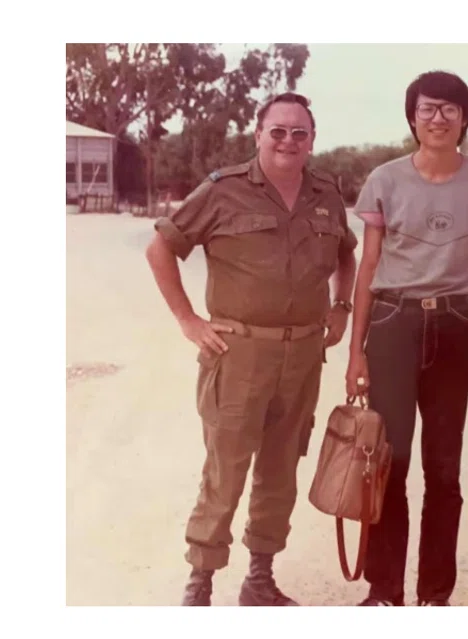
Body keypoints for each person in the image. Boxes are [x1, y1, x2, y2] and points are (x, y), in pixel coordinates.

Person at [145, 92, 358, 606]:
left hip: (303, 356)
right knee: (226, 469)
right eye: (278, 130)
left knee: (281, 469)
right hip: (239, 355)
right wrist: (187, 319)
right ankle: (201, 584)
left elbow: (346, 255)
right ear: (258, 134)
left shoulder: (326, 193)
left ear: (311, 139)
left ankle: (259, 579)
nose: (288, 140)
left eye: (299, 132)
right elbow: (162, 248)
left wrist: (341, 305)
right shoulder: (223, 191)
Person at [344, 70, 468, 606]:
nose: (437, 118)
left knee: (443, 469)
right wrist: (356, 352)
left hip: (450, 326)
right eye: (426, 109)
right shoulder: (385, 180)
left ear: (465, 118)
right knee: (387, 463)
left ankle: (435, 594)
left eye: (449, 109)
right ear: (412, 118)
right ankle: (384, 590)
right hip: (391, 327)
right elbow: (369, 265)